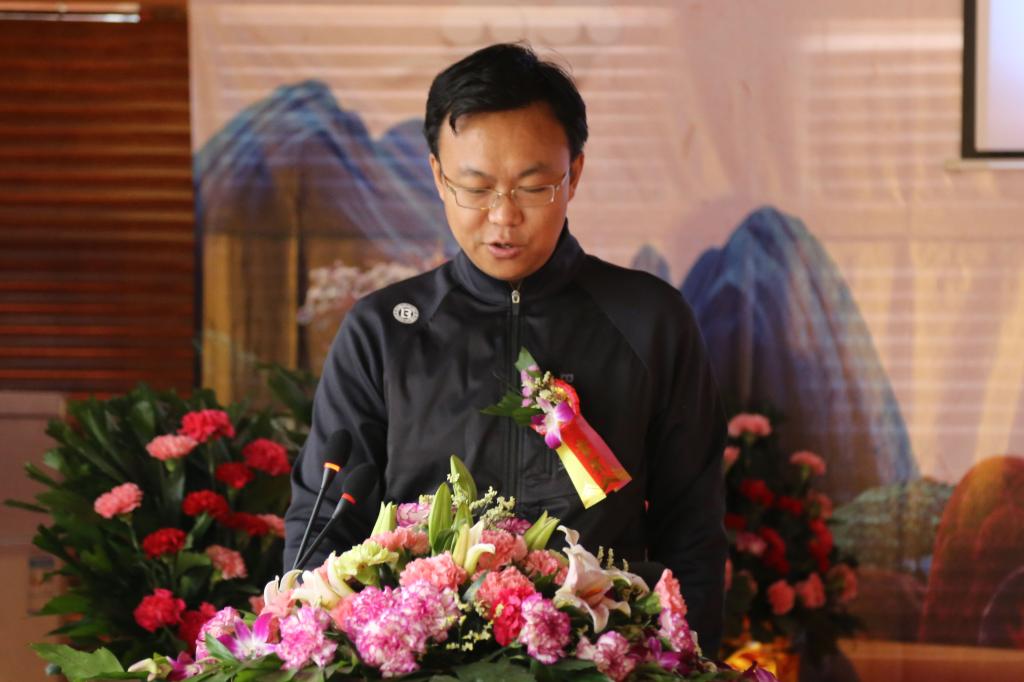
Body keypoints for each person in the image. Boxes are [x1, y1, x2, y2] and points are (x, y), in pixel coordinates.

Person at [284, 42, 728, 653]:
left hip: (603, 661)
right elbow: (324, 529)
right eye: (475, 187)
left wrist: (688, 658)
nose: (503, 217)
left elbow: (693, 530)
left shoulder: (650, 320)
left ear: (574, 174)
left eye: (533, 187)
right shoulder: (382, 331)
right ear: (438, 176)